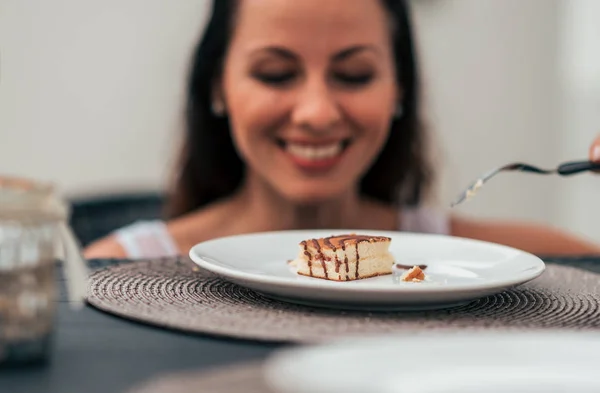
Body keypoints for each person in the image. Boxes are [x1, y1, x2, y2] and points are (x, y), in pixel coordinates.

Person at [84, 0, 600, 259]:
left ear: (399, 89)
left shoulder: (512, 263)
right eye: (275, 74)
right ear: (217, 86)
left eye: (354, 75)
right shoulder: (114, 270)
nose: (317, 112)